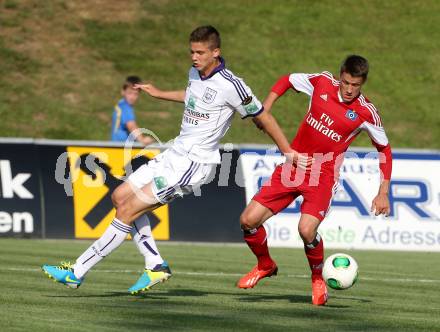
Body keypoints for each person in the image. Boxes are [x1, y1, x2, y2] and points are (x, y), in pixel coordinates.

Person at [42, 25, 309, 294]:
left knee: (126, 211)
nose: (194, 57)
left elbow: (263, 116)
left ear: (216, 52)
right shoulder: (195, 72)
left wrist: (287, 151)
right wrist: (159, 94)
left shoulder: (232, 85)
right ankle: (155, 264)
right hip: (174, 153)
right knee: (119, 196)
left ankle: (77, 271)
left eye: (200, 52)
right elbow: (192, 97)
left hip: (194, 164)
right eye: (192, 51)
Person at [237, 55, 392, 306]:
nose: (350, 89)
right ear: (340, 75)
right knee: (247, 220)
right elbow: (287, 80)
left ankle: (318, 278)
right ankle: (265, 265)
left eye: (356, 85)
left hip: (323, 176)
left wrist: (383, 191)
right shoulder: (321, 83)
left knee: (306, 229)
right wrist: (264, 109)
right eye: (346, 83)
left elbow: (384, 149)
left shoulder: (366, 112)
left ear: (362, 84)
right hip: (294, 166)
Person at [110, 75, 155, 146]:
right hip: (121, 148)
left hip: (115, 145)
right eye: (130, 93)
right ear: (123, 91)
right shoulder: (125, 107)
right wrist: (142, 139)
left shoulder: (120, 104)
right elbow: (131, 126)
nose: (132, 97)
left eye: (135, 94)